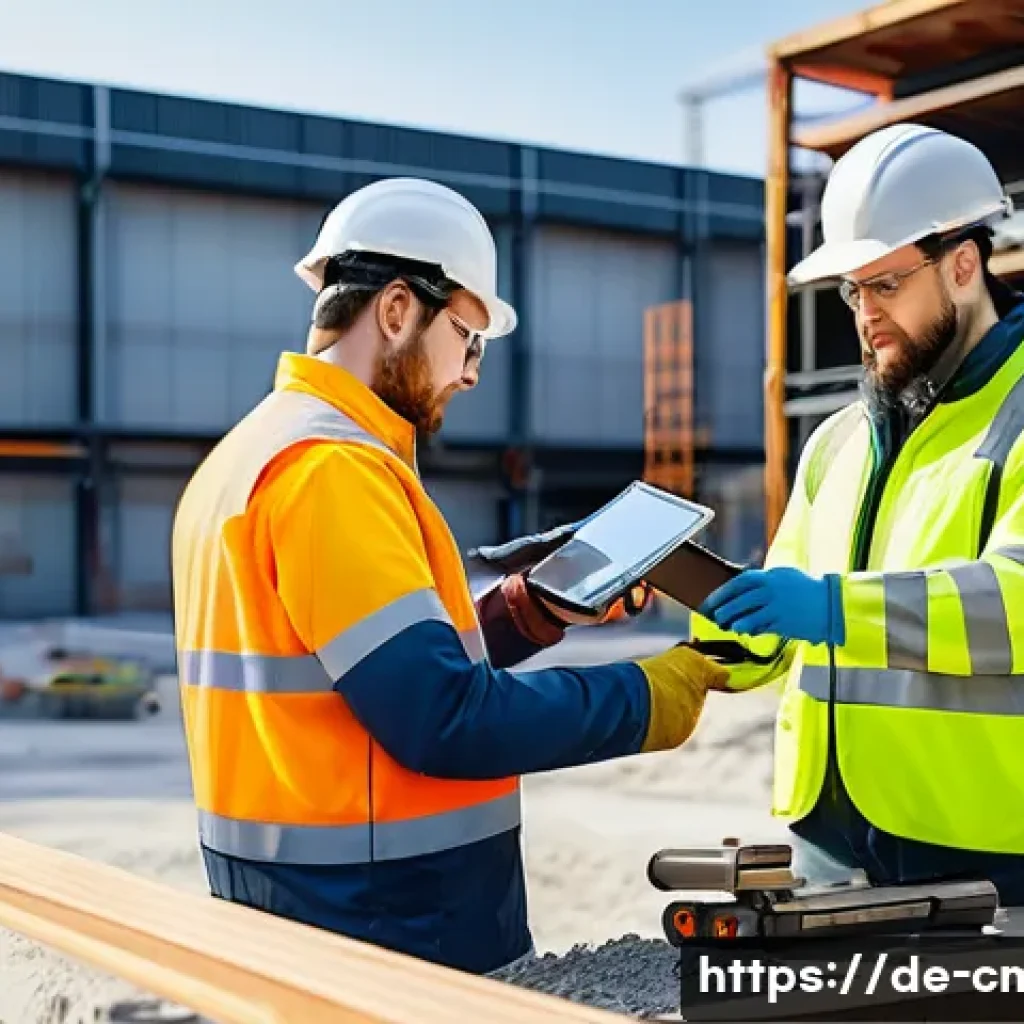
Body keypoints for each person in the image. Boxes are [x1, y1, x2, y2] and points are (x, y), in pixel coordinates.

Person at [170, 176, 728, 976]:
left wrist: (526, 612)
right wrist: (651, 696)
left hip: (296, 909)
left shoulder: (248, 454)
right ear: (398, 310)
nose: (470, 373)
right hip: (389, 929)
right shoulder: (332, 472)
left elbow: (360, 673)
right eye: (468, 337)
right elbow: (443, 718)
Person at [692, 123, 1024, 903]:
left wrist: (834, 609)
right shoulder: (839, 439)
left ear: (963, 265)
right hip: (828, 842)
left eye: (886, 284)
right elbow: (777, 640)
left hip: (984, 843)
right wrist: (711, 609)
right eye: (853, 291)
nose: (865, 313)